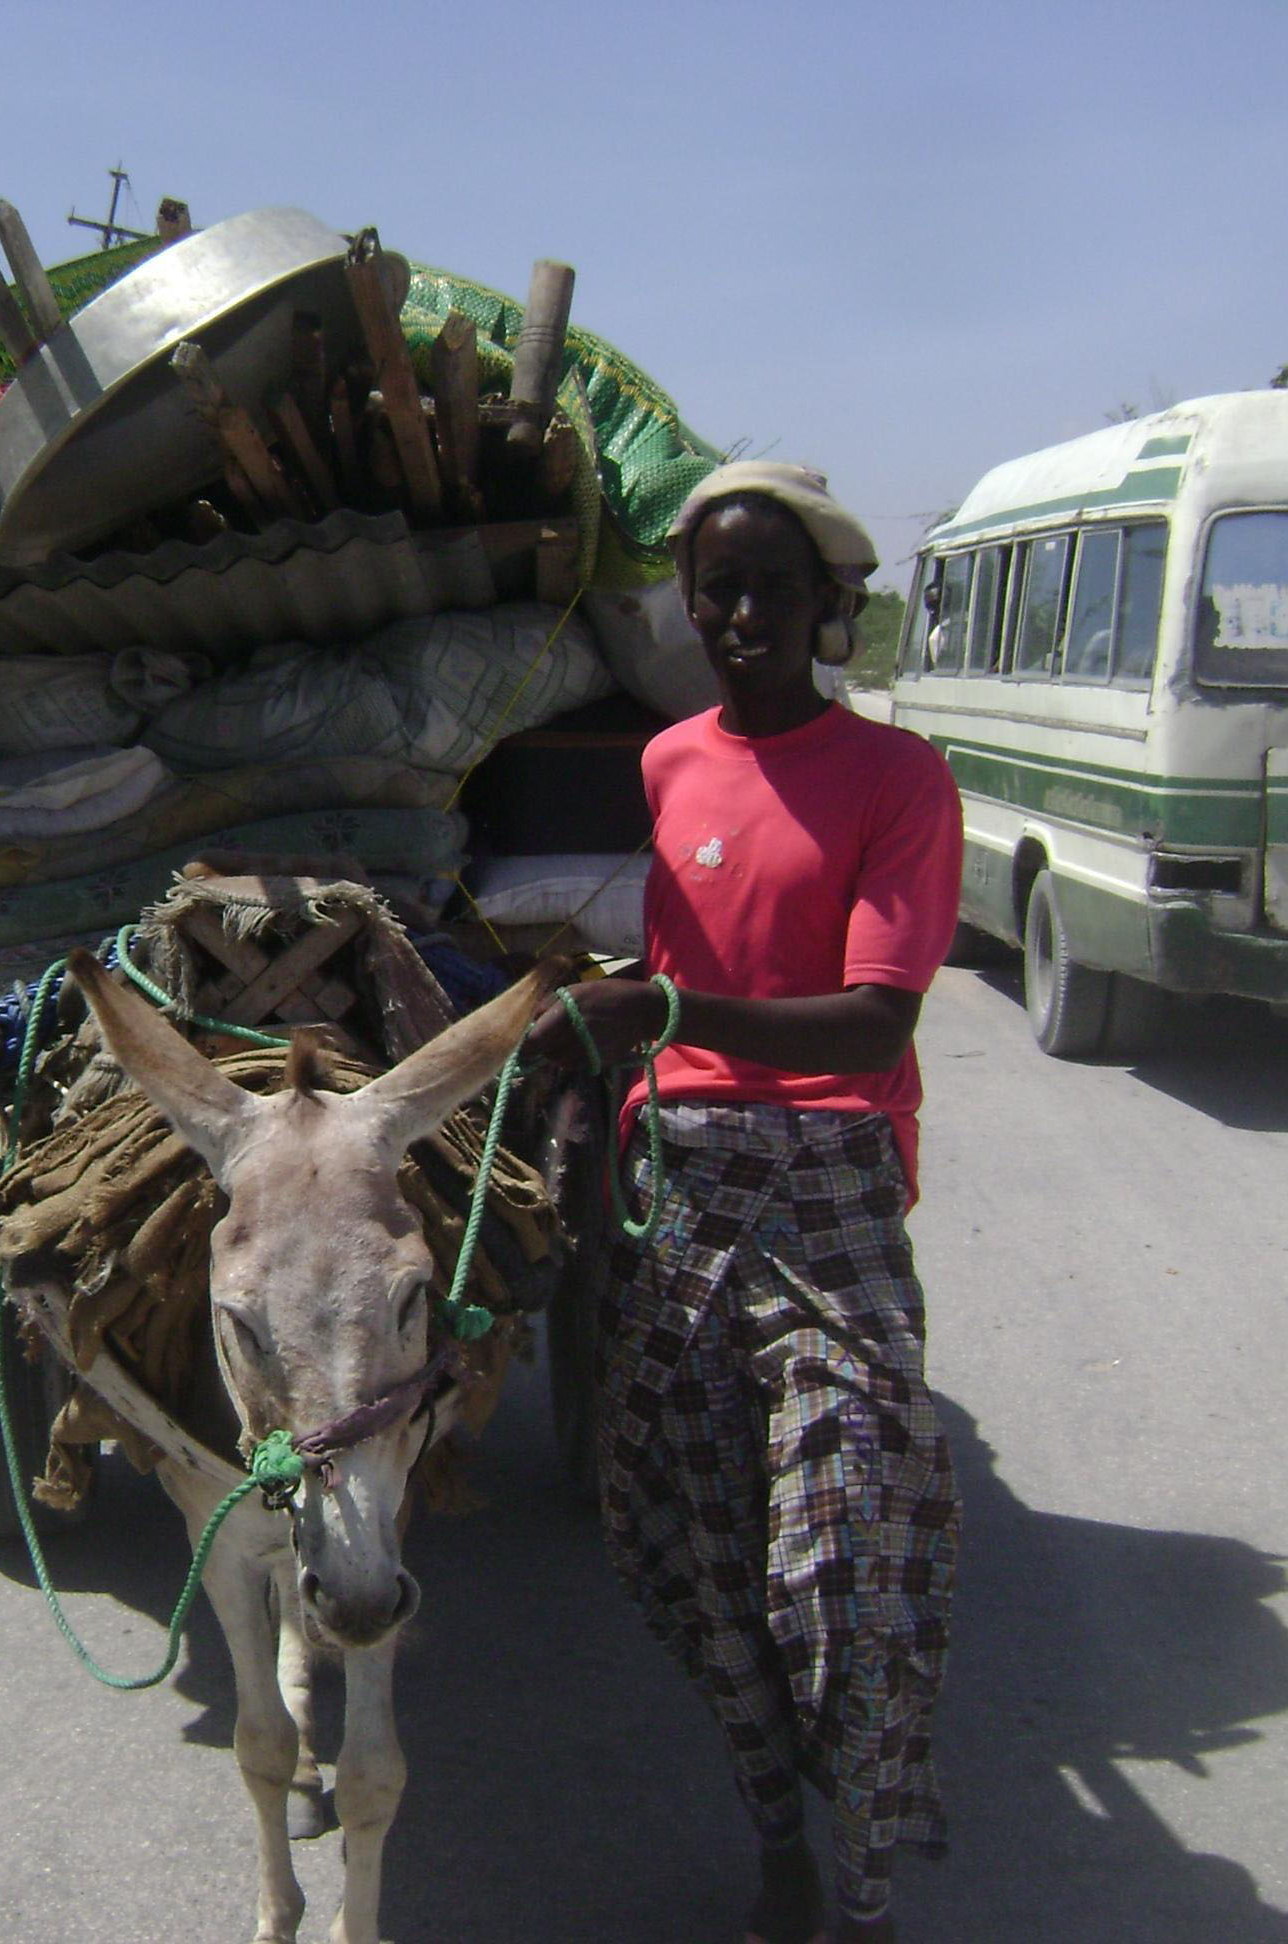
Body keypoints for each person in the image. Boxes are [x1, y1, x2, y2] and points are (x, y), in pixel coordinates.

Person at [529, 462, 965, 1943]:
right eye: (718, 588)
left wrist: (661, 1014)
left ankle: (868, 1886)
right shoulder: (670, 764)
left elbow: (872, 1024)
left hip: (830, 1186)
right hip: (684, 1183)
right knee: (705, 1548)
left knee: (841, 1560)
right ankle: (779, 1838)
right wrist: (608, 1096)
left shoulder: (900, 780)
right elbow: (654, 1002)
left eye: (776, 586)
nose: (743, 614)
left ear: (833, 603)